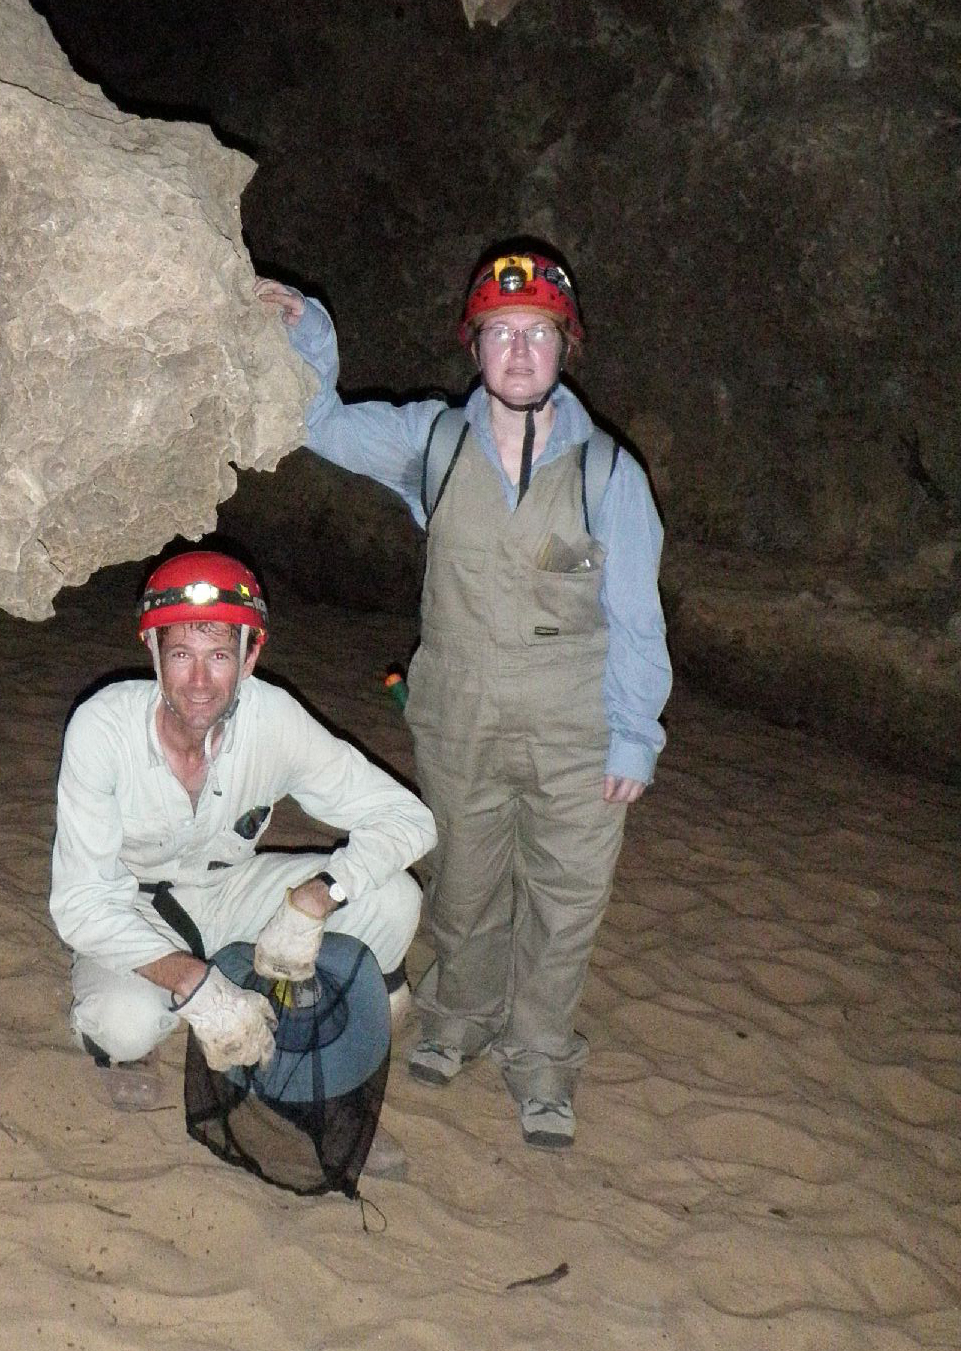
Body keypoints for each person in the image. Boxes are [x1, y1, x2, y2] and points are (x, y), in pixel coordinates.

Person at [257, 247, 670, 1150]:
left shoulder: (609, 474)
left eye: (538, 333)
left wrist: (634, 735)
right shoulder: (433, 443)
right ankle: (458, 1017)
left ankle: (542, 1057)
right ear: (474, 346)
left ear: (565, 347)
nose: (518, 351)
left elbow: (639, 618)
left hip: (575, 730)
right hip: (458, 716)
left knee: (566, 900)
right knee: (464, 883)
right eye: (499, 332)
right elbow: (320, 423)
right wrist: (309, 328)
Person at [49, 549, 436, 1165]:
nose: (200, 682)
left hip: (231, 891)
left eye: (220, 655)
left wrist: (320, 897)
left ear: (250, 656)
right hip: (133, 905)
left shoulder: (273, 718)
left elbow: (408, 819)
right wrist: (197, 986)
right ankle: (154, 1023)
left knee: (394, 898)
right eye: (182, 655)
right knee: (124, 1025)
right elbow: (80, 903)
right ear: (153, 653)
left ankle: (332, 1033)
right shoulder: (101, 729)